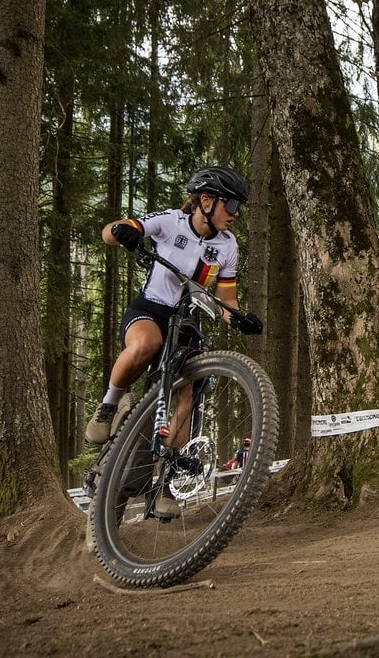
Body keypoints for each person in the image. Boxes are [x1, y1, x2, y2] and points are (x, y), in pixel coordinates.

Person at [85, 166, 263, 519]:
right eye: (231, 204)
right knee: (145, 344)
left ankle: (166, 483)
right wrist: (124, 232)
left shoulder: (227, 246)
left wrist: (240, 319)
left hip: (187, 321)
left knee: (188, 393)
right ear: (207, 201)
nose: (236, 213)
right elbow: (112, 231)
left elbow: (226, 299)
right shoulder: (171, 222)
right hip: (151, 309)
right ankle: (108, 404)